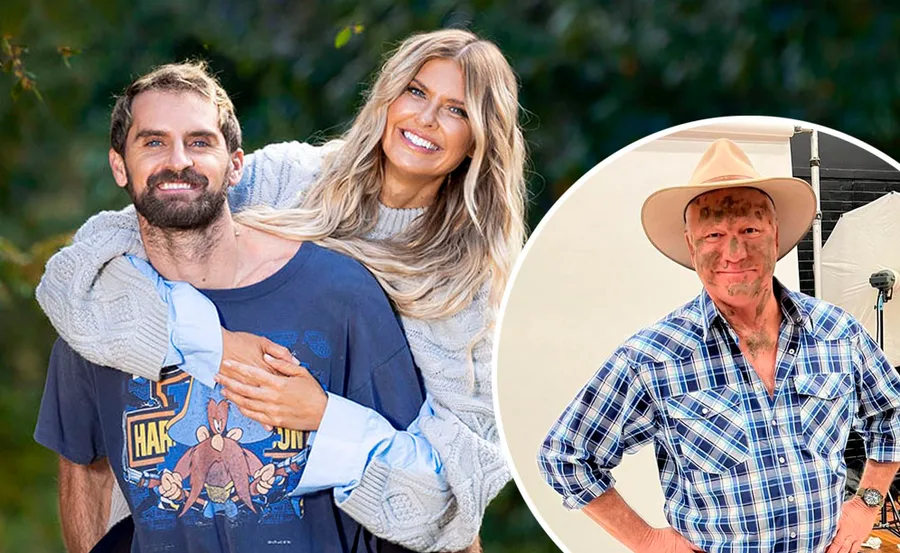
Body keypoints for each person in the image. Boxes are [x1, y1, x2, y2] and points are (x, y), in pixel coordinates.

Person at [35, 29, 526, 552]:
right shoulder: (292, 177)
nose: (425, 119)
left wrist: (323, 416)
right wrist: (216, 345)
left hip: (356, 518)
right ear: (388, 95)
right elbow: (96, 258)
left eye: (456, 110)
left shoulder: (466, 284)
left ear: (481, 136)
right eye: (416, 92)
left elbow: (460, 486)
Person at [538, 138, 900, 553]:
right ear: (691, 247)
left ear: (775, 235)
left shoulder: (839, 333)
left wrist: (868, 503)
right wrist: (646, 540)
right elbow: (566, 455)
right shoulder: (652, 358)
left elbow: (892, 412)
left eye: (749, 229)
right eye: (713, 234)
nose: (733, 251)